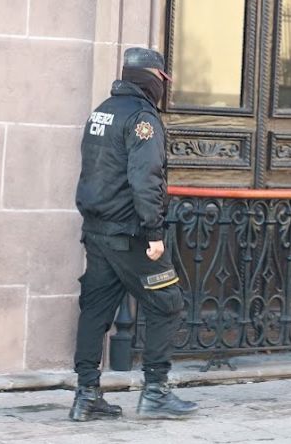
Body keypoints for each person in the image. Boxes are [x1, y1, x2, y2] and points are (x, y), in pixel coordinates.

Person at [70, 48, 197, 421]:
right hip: (131, 234)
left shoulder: (102, 112)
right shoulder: (143, 119)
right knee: (167, 302)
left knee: (95, 310)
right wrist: (155, 232)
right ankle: (155, 390)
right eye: (161, 80)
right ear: (151, 79)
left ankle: (86, 395)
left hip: (97, 230)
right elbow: (146, 180)